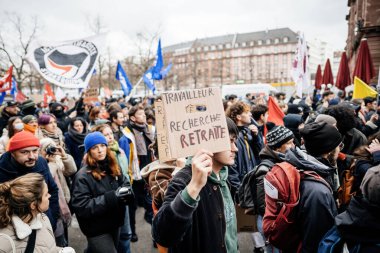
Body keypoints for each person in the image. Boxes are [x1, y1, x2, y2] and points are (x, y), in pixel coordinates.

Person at [152, 118, 239, 253]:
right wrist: (193, 188)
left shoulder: (223, 176)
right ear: (210, 142)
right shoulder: (185, 180)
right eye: (230, 141)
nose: (236, 148)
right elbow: (163, 236)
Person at [276, 121, 342, 253]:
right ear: (329, 151)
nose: (341, 149)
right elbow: (316, 240)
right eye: (339, 145)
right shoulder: (317, 192)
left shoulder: (304, 166)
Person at [71, 132, 132, 253]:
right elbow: (82, 206)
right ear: (89, 151)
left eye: (102, 146)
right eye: (94, 147)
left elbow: (125, 182)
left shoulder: (113, 166)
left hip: (115, 221)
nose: (100, 150)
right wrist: (113, 197)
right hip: (96, 228)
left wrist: (126, 192)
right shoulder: (82, 176)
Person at [0, 173, 75, 252]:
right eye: (46, 194)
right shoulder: (4, 242)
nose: (49, 196)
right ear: (33, 205)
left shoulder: (43, 218)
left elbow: (45, 247)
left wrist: (60, 251)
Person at [0, 131, 59, 231]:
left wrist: (51, 218)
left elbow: (52, 190)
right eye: (25, 152)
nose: (32, 156)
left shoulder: (41, 162)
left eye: (35, 150)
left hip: (45, 223)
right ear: (13, 153)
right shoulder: (2, 169)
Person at [91, 124, 132, 253]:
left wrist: (126, 188)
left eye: (111, 133)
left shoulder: (119, 150)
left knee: (126, 235)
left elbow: (124, 173)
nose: (110, 137)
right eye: (106, 135)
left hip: (122, 199)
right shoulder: (94, 161)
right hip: (108, 205)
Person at [256, 126, 295, 253]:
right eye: (289, 143)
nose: (293, 146)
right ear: (278, 147)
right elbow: (263, 203)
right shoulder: (266, 170)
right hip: (273, 224)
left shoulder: (282, 161)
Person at [40, 138, 77, 247]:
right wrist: (51, 164)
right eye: (46, 148)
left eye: (52, 147)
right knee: (56, 235)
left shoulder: (57, 160)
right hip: (51, 205)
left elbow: (71, 170)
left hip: (64, 202)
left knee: (63, 232)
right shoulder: (40, 165)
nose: (50, 151)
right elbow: (45, 181)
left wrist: (64, 156)